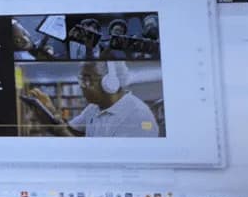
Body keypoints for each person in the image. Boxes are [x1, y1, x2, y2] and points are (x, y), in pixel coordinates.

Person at [25, 59, 158, 139]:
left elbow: (105, 164)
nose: (82, 86)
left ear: (110, 83)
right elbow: (71, 131)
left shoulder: (137, 117)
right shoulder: (94, 108)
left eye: (87, 80)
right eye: (81, 79)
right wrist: (49, 110)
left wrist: (63, 132)